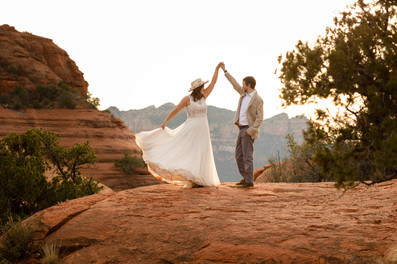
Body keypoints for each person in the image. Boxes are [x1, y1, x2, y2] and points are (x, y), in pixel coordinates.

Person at [135, 63, 222, 188]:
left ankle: (200, 178)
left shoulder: (204, 96)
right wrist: (165, 121)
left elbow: (213, 83)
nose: (204, 87)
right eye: (203, 86)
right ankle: (192, 178)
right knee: (190, 151)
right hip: (191, 128)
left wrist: (217, 68)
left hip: (203, 128)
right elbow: (176, 110)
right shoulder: (187, 99)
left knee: (202, 151)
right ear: (198, 88)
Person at [219, 62, 264, 188]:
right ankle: (246, 177)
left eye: (243, 83)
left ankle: (249, 181)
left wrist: (251, 130)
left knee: (247, 157)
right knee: (239, 156)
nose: (242, 85)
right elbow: (234, 84)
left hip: (248, 131)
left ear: (248, 85)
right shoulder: (243, 94)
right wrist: (225, 71)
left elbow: (260, 118)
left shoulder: (258, 100)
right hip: (241, 129)